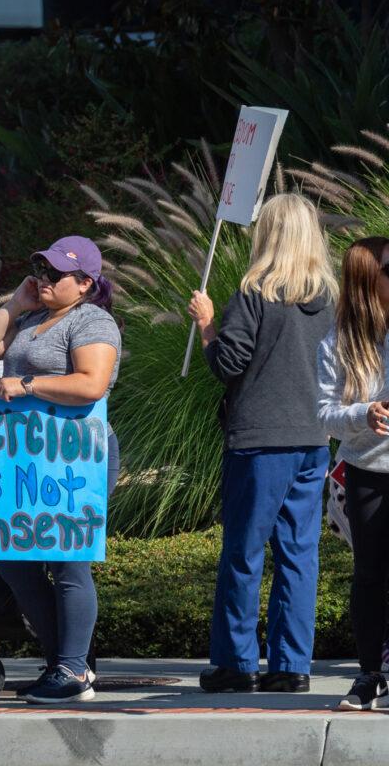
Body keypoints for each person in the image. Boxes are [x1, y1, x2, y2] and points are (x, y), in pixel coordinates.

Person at [187, 194, 337, 694]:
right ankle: (292, 665)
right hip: (314, 439)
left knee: (245, 552)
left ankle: (236, 662)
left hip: (258, 440)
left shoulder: (255, 293)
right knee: (299, 554)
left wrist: (207, 326)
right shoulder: (331, 300)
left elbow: (228, 363)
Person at [0, 235, 121, 704]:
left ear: (85, 283)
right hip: (25, 458)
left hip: (75, 457)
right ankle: (64, 662)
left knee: (67, 560)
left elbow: (92, 383)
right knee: (14, 559)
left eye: (55, 274)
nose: (44, 279)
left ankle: (72, 669)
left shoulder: (93, 320)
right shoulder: (32, 318)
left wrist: (28, 384)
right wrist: (15, 304)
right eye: (40, 270)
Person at [317, 235, 389, 711]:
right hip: (368, 470)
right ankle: (369, 676)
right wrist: (363, 414)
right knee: (370, 577)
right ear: (368, 280)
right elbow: (321, 414)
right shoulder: (338, 342)